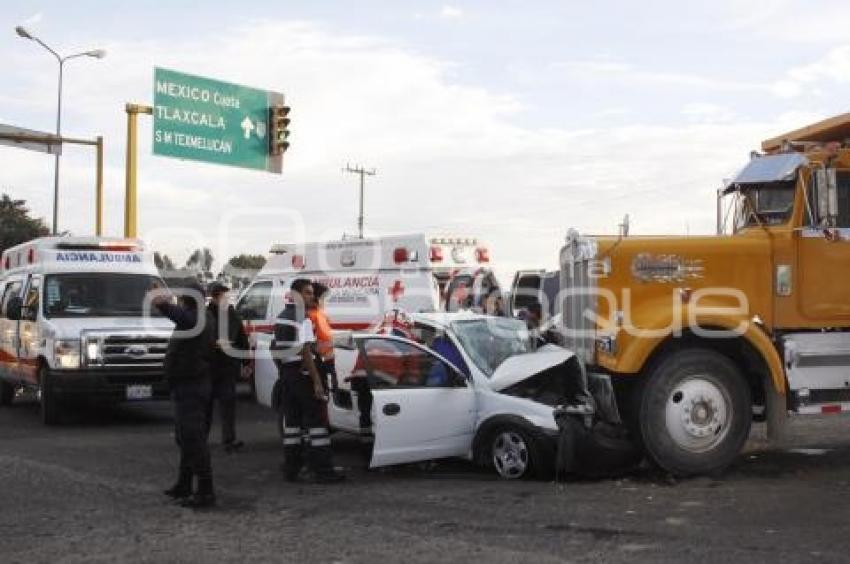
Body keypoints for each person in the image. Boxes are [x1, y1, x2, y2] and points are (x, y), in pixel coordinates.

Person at [272, 279, 344, 483]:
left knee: (292, 425)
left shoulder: (282, 317)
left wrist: (284, 371)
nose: (311, 297)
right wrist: (317, 382)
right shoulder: (302, 318)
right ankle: (323, 471)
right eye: (307, 293)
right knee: (317, 424)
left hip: (287, 375)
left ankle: (292, 469)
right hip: (303, 375)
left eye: (312, 293)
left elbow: (274, 349)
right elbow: (305, 351)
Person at [152, 281, 216, 508]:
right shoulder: (198, 317)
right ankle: (185, 484)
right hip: (186, 385)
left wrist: (164, 306)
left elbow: (185, 319)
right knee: (185, 438)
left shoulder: (198, 319)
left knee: (193, 439)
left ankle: (205, 491)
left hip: (192, 386)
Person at [206, 282, 249, 453]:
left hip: (228, 367)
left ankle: (229, 440)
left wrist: (246, 363)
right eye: (225, 296)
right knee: (205, 406)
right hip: (209, 367)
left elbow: (242, 338)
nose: (229, 299)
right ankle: (201, 439)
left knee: (228, 405)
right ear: (216, 297)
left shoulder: (233, 314)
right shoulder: (206, 315)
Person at [307, 282, 337, 396]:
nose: (326, 302)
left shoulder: (320, 314)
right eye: (324, 298)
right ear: (317, 298)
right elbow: (310, 345)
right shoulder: (311, 316)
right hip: (320, 364)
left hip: (327, 362)